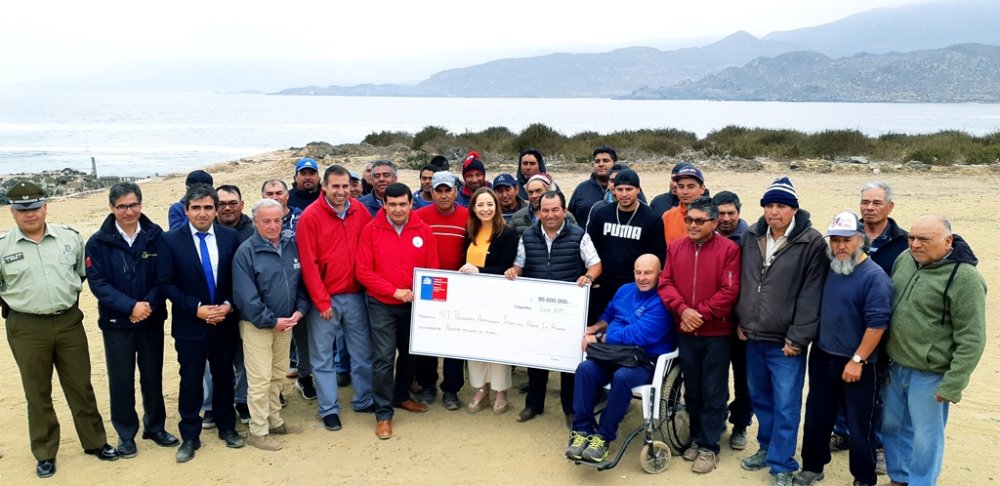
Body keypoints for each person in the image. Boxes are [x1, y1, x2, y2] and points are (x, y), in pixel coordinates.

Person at [1, 181, 119, 478]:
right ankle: (44, 452)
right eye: (21, 209)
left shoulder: (69, 239)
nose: (29, 214)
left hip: (68, 322)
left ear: (45, 207)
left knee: (80, 385)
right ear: (12, 212)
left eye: (34, 207)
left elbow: (80, 275)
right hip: (26, 327)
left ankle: (95, 442)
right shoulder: (3, 248)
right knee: (37, 392)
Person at [734, 177, 827, 486]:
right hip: (752, 335)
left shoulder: (810, 241)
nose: (775, 212)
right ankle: (765, 447)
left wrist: (798, 337)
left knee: (786, 403)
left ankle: (782, 463)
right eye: (769, 205)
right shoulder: (751, 235)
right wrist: (741, 319)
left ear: (794, 209)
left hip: (786, 341)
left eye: (781, 206)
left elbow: (811, 293)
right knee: (760, 398)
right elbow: (746, 283)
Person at [882, 215, 986, 486]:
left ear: (947, 241)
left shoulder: (965, 278)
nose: (915, 244)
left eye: (924, 239)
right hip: (895, 366)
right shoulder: (905, 259)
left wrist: (953, 384)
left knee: (926, 437)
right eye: (912, 237)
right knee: (892, 427)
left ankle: (920, 482)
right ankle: (899, 477)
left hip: (931, 374)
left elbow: (972, 338)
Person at [795, 212, 891, 486]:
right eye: (835, 240)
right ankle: (813, 466)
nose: (840, 246)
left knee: (860, 426)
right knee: (816, 417)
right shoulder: (833, 267)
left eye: (847, 240)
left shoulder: (874, 278)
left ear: (861, 240)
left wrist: (857, 360)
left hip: (859, 362)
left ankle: (863, 477)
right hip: (824, 355)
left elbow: (877, 326)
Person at [85, 182, 178, 460]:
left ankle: (155, 427)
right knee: (121, 380)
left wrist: (147, 305)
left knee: (152, 376)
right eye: (122, 206)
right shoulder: (98, 242)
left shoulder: (155, 236)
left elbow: (164, 277)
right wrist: (130, 307)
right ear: (112, 208)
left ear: (141, 204)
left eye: (134, 204)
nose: (129, 211)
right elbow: (98, 284)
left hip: (150, 319)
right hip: (116, 323)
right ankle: (126, 434)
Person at [158, 183, 245, 462]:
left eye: (208, 207)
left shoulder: (230, 238)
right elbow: (166, 283)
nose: (202, 213)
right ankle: (190, 436)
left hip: (224, 320)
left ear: (215, 210)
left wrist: (228, 305)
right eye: (196, 208)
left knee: (224, 376)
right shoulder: (171, 240)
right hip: (190, 324)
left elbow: (238, 278)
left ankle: (227, 427)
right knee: (192, 380)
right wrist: (196, 309)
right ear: (186, 211)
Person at [505, 191, 602, 428]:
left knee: (569, 361)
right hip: (537, 309)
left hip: (568, 310)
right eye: (545, 210)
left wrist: (588, 277)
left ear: (564, 210)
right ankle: (533, 404)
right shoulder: (528, 236)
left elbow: (596, 264)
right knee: (536, 356)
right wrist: (513, 272)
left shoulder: (579, 235)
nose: (550, 215)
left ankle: (570, 408)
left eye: (555, 209)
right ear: (539, 212)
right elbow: (520, 263)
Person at [658, 196, 741, 474]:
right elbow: (665, 283)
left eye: (699, 221)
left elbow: (729, 291)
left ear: (714, 222)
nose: (692, 225)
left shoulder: (729, 249)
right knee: (692, 389)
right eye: (689, 220)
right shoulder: (675, 248)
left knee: (713, 389)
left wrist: (699, 314)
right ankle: (695, 436)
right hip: (685, 329)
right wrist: (683, 310)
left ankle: (709, 446)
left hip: (716, 332)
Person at [566, 254, 675, 463]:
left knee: (623, 377)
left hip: (643, 359)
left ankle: (603, 437)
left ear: (659, 274)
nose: (642, 278)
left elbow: (638, 334)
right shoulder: (625, 290)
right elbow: (608, 315)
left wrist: (598, 338)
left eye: (648, 273)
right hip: (615, 354)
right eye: (638, 272)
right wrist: (595, 327)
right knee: (585, 369)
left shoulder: (662, 299)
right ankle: (581, 431)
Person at [830, 181, 909, 469]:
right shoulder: (849, 233)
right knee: (841, 383)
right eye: (865, 202)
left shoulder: (902, 242)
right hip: (844, 326)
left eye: (876, 202)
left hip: (881, 328)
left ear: (890, 206)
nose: (870, 208)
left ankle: (877, 445)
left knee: (876, 392)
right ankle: (841, 432)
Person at [356, 183, 440, 439]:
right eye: (392, 204)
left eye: (403, 204)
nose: (398, 209)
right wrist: (394, 291)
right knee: (382, 358)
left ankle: (400, 395)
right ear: (384, 204)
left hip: (413, 305)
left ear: (411, 203)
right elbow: (363, 271)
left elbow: (432, 270)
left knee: (409, 355)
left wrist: (425, 301)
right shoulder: (371, 230)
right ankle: (383, 414)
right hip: (382, 304)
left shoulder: (423, 231)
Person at [296, 165, 376, 431]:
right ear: (325, 187)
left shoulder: (359, 210)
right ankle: (328, 408)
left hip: (355, 296)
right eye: (336, 187)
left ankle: (364, 399)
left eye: (345, 186)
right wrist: (321, 301)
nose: (342, 192)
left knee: (363, 354)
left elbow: (371, 246)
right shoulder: (310, 217)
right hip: (325, 299)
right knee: (323, 359)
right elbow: (308, 263)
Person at [232, 198, 309, 451]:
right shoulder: (246, 252)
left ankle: (275, 422)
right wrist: (270, 321)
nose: (273, 225)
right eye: (266, 221)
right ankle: (258, 431)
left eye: (277, 220)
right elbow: (246, 297)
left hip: (286, 324)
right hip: (258, 327)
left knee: (277, 377)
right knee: (260, 380)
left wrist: (299, 311)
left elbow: (299, 283)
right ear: (255, 222)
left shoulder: (291, 245)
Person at [457, 188, 519, 415]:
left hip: (497, 300)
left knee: (497, 346)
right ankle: (481, 389)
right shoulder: (470, 232)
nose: (485, 209)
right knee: (475, 346)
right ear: (473, 208)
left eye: (489, 204)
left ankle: (500, 391)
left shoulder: (508, 234)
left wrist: (479, 270)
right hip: (472, 299)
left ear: (497, 206)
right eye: (480, 205)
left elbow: (505, 267)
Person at [414, 172, 468, 410]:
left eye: (448, 190)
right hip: (427, 286)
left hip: (458, 287)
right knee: (427, 338)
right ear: (431, 192)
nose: (444, 195)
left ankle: (451, 390)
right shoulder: (419, 216)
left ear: (456, 191)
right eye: (439, 190)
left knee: (454, 341)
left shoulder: (468, 216)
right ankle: (427, 385)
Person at [584, 169, 666, 325]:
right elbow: (589, 249)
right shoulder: (601, 215)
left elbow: (658, 256)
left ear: (638, 190)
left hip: (634, 287)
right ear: (613, 190)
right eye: (619, 189)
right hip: (603, 285)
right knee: (597, 327)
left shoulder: (651, 219)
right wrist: (592, 277)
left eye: (629, 189)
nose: (624, 194)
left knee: (627, 329)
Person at [712, 190, 752, 449]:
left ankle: (740, 424)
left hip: (740, 322)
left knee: (743, 377)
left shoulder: (749, 238)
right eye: (721, 213)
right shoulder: (706, 235)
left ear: (739, 212)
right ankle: (717, 419)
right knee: (715, 375)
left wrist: (745, 319)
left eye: (731, 213)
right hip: (714, 320)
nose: (726, 218)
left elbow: (752, 283)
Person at [509, 174, 577, 236]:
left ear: (548, 191)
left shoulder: (566, 217)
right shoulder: (517, 218)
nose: (534, 196)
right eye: (530, 192)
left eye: (538, 191)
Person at [568, 146, 616, 226]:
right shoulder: (581, 189)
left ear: (615, 163)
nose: (601, 164)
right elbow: (569, 219)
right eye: (597, 161)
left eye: (605, 161)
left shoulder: (627, 188)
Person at [662, 164, 707, 244]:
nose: (685, 192)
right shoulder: (667, 217)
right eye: (681, 187)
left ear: (702, 189)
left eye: (690, 187)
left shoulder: (711, 216)